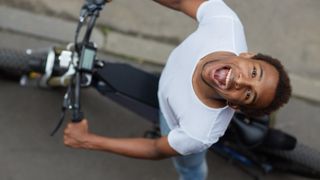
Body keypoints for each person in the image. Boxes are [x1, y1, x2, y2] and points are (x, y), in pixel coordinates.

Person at [63, 0, 292, 179]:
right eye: (254, 72)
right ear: (247, 56)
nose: (241, 81)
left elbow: (155, 149)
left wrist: (88, 141)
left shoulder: (197, 133)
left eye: (248, 94)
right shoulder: (226, 24)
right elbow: (180, 1)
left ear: (233, 105)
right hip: (169, 79)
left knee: (192, 169)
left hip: (171, 121)